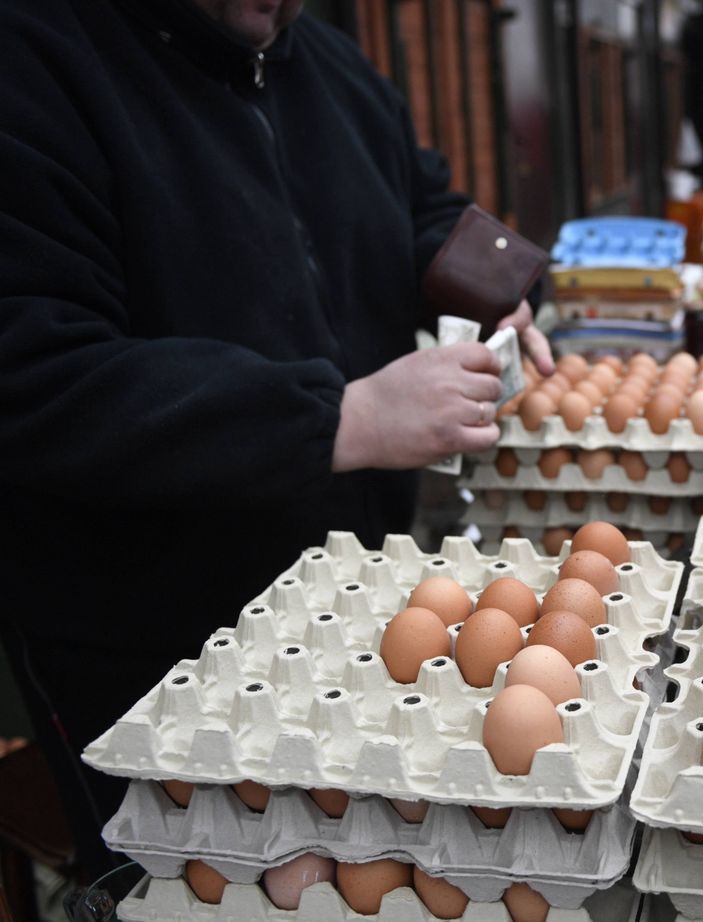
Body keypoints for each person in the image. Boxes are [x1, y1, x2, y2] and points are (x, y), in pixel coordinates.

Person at [0, 0, 553, 880]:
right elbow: (35, 375)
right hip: (150, 655)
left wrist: (493, 283)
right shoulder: (38, 64)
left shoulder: (327, 66)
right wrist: (342, 418)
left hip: (356, 597)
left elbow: (419, 205)